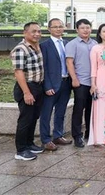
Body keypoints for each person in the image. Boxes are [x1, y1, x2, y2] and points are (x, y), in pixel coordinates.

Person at [11, 22, 45, 160]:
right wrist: (26, 92)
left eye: (39, 31)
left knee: (33, 117)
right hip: (27, 87)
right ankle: (21, 150)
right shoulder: (21, 49)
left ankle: (29, 144)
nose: (37, 34)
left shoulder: (36, 47)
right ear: (25, 33)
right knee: (25, 119)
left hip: (38, 86)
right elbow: (18, 73)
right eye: (33, 31)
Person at [39, 18, 72, 151]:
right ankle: (46, 140)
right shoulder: (44, 46)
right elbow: (44, 68)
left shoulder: (67, 43)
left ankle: (58, 135)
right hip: (51, 85)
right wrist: (47, 86)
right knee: (46, 113)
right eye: (55, 27)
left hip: (66, 83)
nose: (58, 29)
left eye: (60, 26)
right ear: (49, 29)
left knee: (61, 111)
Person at [66, 19, 97, 148]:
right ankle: (77, 136)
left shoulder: (95, 43)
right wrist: (74, 79)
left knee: (91, 109)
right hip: (80, 82)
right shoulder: (72, 44)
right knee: (79, 109)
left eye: (88, 27)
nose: (86, 30)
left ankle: (89, 133)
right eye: (83, 28)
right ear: (77, 30)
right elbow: (69, 62)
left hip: (93, 82)